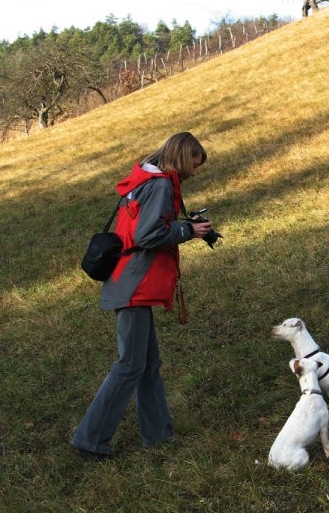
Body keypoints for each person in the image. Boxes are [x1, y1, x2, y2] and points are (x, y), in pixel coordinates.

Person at [71, 131, 212, 461]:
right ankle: (89, 440)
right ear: (181, 157)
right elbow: (148, 235)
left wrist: (181, 226)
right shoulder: (161, 185)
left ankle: (158, 435)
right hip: (132, 285)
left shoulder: (146, 180)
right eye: (195, 163)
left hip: (128, 282)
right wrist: (188, 230)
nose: (196, 170)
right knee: (130, 365)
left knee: (147, 365)